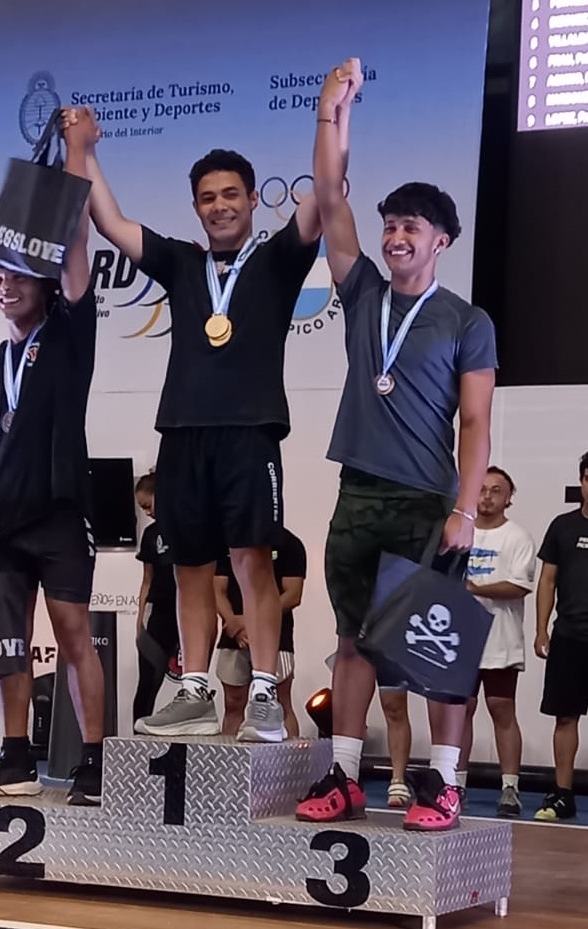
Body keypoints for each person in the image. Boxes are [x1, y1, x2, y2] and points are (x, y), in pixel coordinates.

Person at [62, 107, 321, 742]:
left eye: (231, 194)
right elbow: (109, 221)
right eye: (208, 198)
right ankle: (196, 690)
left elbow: (326, 194)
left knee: (252, 561)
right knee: (189, 567)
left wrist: (330, 116)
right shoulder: (181, 263)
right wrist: (85, 150)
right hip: (182, 433)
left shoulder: (278, 262)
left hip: (250, 432)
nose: (219, 206)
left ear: (253, 199)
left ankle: (264, 693)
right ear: (196, 207)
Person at [296, 59, 497, 831]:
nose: (394, 235)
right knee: (351, 642)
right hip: (358, 493)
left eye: (410, 226)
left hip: (424, 502)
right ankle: (344, 777)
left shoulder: (466, 321)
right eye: (389, 225)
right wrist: (330, 110)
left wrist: (464, 510)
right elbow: (329, 195)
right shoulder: (361, 294)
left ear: (439, 240)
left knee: (434, 648)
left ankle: (442, 785)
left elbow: (473, 423)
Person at [0, 120, 105, 806]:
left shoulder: (70, 336)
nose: (4, 284)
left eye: (16, 273)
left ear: (43, 284)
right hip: (2, 527)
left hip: (60, 515)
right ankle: (15, 756)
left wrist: (77, 151)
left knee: (74, 634)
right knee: (7, 642)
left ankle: (94, 761)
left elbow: (74, 244)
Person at [458, 466, 536, 817]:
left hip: (500, 639)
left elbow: (518, 586)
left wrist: (474, 588)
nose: (487, 496)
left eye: (496, 491)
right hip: (460, 640)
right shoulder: (458, 532)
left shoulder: (517, 537)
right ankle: (455, 783)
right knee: (460, 711)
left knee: (501, 709)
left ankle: (510, 787)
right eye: (482, 489)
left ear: (508, 499)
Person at [533, 451, 588, 822]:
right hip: (569, 636)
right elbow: (547, 580)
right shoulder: (562, 527)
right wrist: (541, 628)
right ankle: (563, 795)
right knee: (565, 718)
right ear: (582, 481)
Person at [215, 527, 307, 738]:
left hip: (276, 638)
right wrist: (233, 622)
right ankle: (229, 756)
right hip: (234, 636)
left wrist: (250, 622)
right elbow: (217, 589)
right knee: (233, 703)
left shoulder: (290, 544)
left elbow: (293, 594)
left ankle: (290, 756)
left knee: (280, 702)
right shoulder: (227, 543)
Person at [132, 470, 179, 727]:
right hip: (159, 615)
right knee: (148, 684)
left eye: (148, 506)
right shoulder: (151, 535)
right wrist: (140, 621)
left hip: (187, 613)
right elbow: (146, 580)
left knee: (192, 684)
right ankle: (137, 739)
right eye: (142, 509)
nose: (147, 513)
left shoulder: (188, 525)